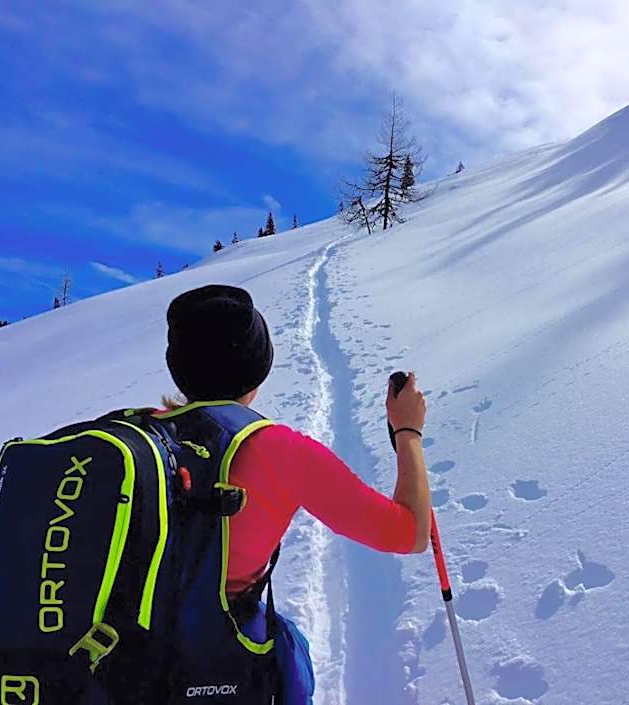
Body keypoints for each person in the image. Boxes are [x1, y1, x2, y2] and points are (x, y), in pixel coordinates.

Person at [163, 284, 432, 701]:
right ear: (258, 367)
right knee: (289, 651)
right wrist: (408, 431)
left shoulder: (138, 441)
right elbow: (410, 533)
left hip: (113, 666)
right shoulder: (277, 451)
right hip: (211, 670)